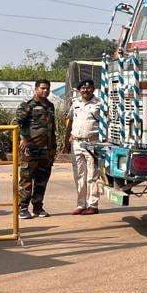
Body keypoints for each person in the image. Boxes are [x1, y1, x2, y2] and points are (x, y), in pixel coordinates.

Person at [16, 79, 57, 219]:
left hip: (46, 151)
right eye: (42, 88)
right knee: (26, 180)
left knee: (42, 180)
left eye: (47, 89)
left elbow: (52, 129)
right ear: (36, 89)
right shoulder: (27, 105)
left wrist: (53, 148)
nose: (45, 91)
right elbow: (16, 123)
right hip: (30, 150)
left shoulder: (50, 106)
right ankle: (22, 209)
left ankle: (38, 208)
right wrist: (24, 138)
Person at [65, 78, 102, 215]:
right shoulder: (75, 103)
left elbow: (107, 122)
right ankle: (81, 204)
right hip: (76, 143)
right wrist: (66, 140)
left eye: (89, 88)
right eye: (83, 88)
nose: (86, 90)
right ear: (79, 90)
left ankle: (93, 205)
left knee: (92, 175)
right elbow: (70, 121)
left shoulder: (100, 103)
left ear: (93, 89)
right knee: (79, 175)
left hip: (92, 143)